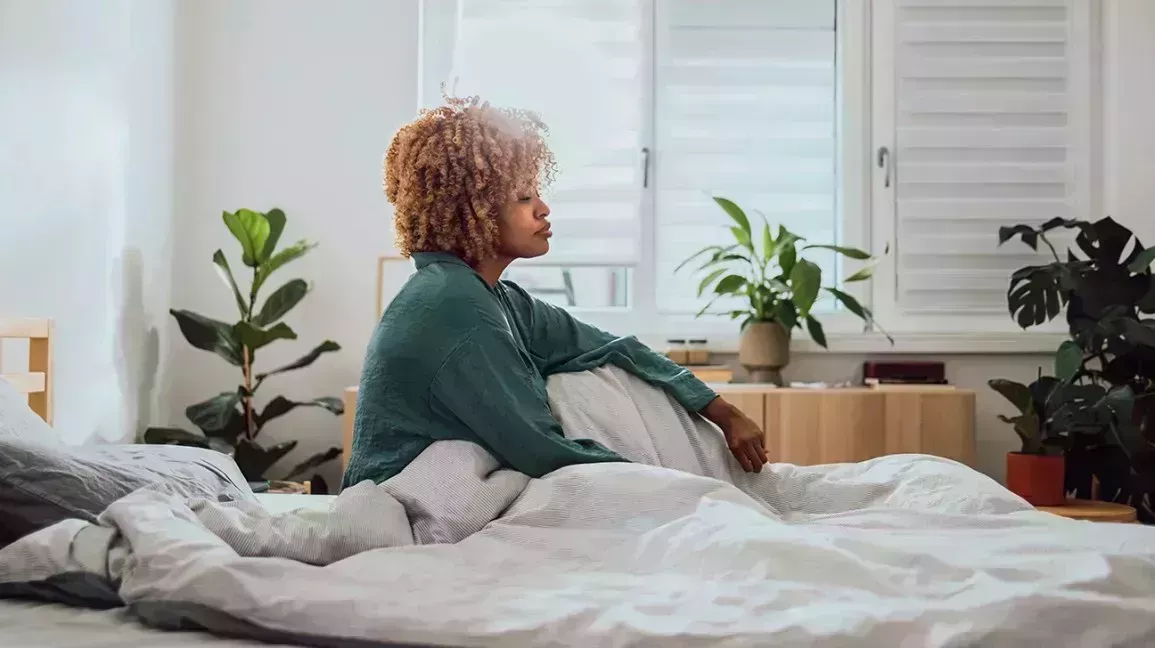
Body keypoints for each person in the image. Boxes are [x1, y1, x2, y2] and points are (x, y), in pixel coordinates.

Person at [341, 95, 768, 488]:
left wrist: (721, 411)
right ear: (473, 209)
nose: (544, 208)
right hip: (413, 505)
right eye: (524, 197)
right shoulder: (453, 306)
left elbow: (614, 346)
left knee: (589, 375)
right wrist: (677, 486)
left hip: (450, 487)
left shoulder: (496, 298)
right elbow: (542, 451)